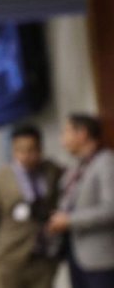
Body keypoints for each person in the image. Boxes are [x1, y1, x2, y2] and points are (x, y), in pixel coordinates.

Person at [0, 124, 62, 288]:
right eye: (20, 150)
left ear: (40, 149)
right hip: (9, 259)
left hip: (44, 258)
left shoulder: (52, 170)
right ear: (13, 150)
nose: (26, 155)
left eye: (32, 150)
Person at [47, 114, 114, 288]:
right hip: (76, 257)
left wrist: (69, 220)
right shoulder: (75, 167)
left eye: (66, 132)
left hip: (101, 261)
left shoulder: (105, 162)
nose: (62, 138)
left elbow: (111, 209)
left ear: (82, 134)